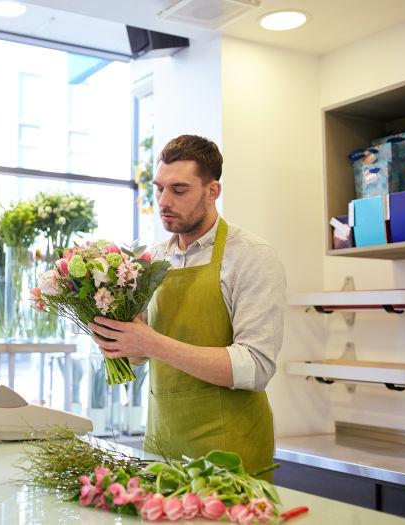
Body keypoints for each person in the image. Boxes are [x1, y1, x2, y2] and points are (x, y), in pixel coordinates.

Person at [88, 134, 285, 479]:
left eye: (178, 190)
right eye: (160, 188)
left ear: (212, 192)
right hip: (162, 444)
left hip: (230, 453)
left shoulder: (252, 256)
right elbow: (139, 356)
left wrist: (150, 341)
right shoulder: (155, 258)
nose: (164, 200)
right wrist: (115, 338)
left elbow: (255, 367)